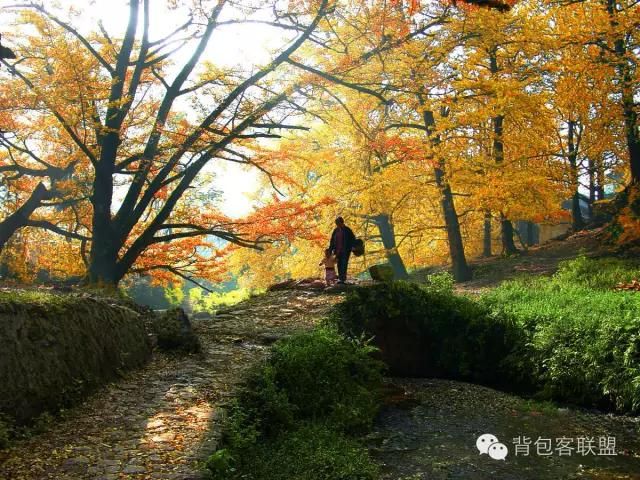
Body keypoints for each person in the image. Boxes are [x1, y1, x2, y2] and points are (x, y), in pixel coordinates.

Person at [328, 216, 356, 284]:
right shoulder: (335, 230)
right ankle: (340, 278)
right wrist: (330, 249)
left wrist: (353, 246)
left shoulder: (347, 230)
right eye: (336, 223)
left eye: (338, 223)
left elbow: (353, 239)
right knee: (339, 264)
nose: (337, 224)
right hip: (337, 251)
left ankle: (342, 279)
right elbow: (332, 241)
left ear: (342, 222)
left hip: (345, 250)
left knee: (344, 263)